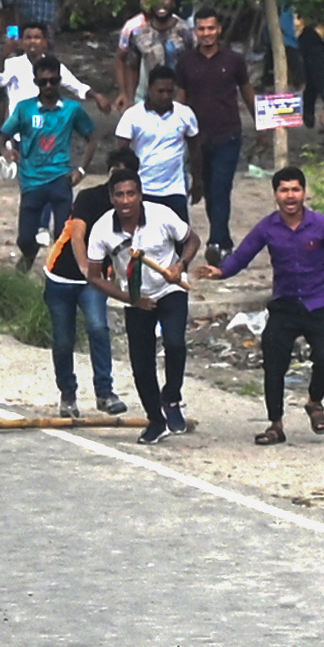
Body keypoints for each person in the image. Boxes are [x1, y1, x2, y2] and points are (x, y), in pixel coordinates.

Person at [199, 167, 324, 444]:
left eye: (295, 189)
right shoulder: (267, 227)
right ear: (276, 194)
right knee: (274, 366)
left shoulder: (322, 225)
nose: (290, 196)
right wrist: (221, 272)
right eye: (284, 190)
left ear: (304, 192)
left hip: (321, 303)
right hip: (285, 304)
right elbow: (243, 255)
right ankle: (275, 424)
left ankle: (314, 401)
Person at [84, 167, 197, 444]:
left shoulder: (161, 215)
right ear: (111, 197)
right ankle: (156, 420)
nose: (126, 201)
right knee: (141, 363)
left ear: (140, 195)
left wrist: (180, 265)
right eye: (119, 195)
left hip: (169, 288)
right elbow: (94, 276)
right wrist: (131, 300)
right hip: (135, 296)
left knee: (175, 343)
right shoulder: (102, 229)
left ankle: (171, 397)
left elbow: (192, 240)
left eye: (131, 194)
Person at [37, 154, 130, 422]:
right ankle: (68, 394)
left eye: (128, 190)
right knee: (64, 339)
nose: (123, 198)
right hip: (63, 275)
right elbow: (77, 236)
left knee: (98, 328)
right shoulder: (90, 198)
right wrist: (86, 269)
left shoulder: (136, 210)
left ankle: (105, 392)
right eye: (117, 188)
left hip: (96, 278)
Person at [4, 60, 99, 278]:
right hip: (31, 179)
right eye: (43, 81)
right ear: (36, 81)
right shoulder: (24, 108)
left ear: (59, 81)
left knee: (63, 235)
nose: (48, 85)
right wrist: (7, 151)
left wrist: (81, 170)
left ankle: (58, 276)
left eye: (53, 80)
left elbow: (92, 138)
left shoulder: (72, 109)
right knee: (25, 238)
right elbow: (2, 137)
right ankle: (28, 255)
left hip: (60, 178)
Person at [171, 12, 251, 261]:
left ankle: (217, 242)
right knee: (204, 188)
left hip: (228, 134)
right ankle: (220, 238)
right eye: (201, 29)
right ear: (195, 31)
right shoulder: (185, 62)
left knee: (220, 188)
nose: (206, 33)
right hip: (197, 138)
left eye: (211, 28)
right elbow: (180, 99)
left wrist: (262, 124)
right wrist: (175, 129)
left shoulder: (234, 60)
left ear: (219, 30)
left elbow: (247, 92)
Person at [114, 69, 195, 225]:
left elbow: (195, 149)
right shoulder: (132, 116)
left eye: (169, 91)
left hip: (174, 189)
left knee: (181, 238)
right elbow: (121, 154)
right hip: (143, 189)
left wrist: (198, 181)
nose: (165, 96)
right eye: (160, 91)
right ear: (149, 89)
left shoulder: (185, 114)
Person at [113, 0, 181, 115]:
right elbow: (128, 63)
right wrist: (127, 95)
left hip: (176, 93)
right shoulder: (135, 30)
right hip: (144, 94)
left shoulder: (183, 29)